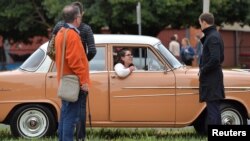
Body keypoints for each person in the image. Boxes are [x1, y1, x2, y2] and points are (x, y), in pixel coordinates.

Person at [55, 5, 90, 141]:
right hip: (74, 82)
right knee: (71, 118)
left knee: (64, 115)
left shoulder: (61, 32)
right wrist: (84, 81)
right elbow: (75, 62)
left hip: (65, 81)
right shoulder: (73, 35)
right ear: (77, 18)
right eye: (80, 16)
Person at [198, 13, 225, 126]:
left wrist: (203, 69)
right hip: (212, 78)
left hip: (212, 79)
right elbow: (219, 58)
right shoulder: (213, 35)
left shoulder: (213, 37)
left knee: (213, 110)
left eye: (200, 23)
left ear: (204, 22)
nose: (200, 25)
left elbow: (215, 59)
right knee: (214, 109)